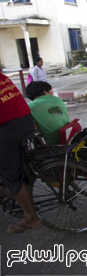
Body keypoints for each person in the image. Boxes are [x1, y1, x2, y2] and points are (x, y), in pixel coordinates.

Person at [0, 73, 42, 234]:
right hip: (25, 122)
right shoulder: (2, 76)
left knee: (11, 176)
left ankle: (31, 217)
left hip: (8, 129)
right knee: (18, 166)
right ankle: (22, 194)